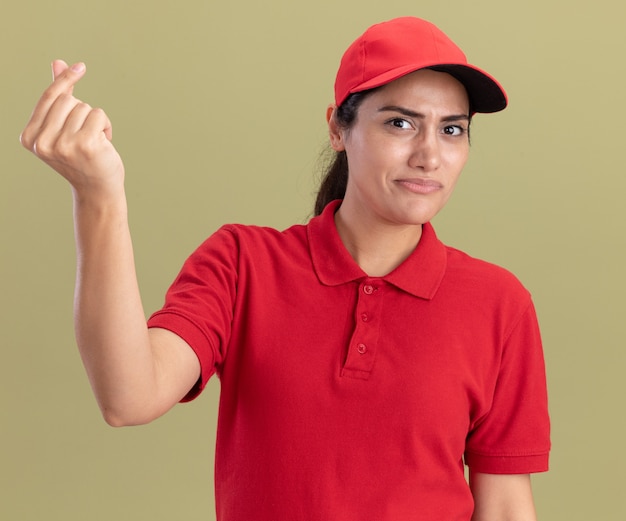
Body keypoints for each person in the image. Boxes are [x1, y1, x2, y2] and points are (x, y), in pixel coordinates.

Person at [20, 16, 550, 521]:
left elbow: (504, 507)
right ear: (338, 129)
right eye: (400, 123)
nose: (429, 155)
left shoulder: (499, 303)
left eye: (452, 130)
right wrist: (99, 196)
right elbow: (127, 395)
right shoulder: (241, 265)